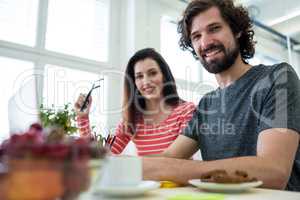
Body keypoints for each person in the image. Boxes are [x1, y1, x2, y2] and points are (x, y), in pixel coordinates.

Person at [143, 0, 300, 191]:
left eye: (214, 28)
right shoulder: (207, 104)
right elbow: (168, 158)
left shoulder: (277, 78)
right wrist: (112, 163)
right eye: (196, 36)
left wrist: (170, 169)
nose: (205, 42)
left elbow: (274, 171)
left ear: (237, 31)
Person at [75, 48, 195, 156]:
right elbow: (103, 155)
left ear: (164, 75)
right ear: (134, 83)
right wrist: (83, 118)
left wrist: (132, 164)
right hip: (146, 181)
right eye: (139, 76)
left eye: (152, 73)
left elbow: (177, 157)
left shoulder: (186, 110)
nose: (146, 81)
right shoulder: (132, 119)